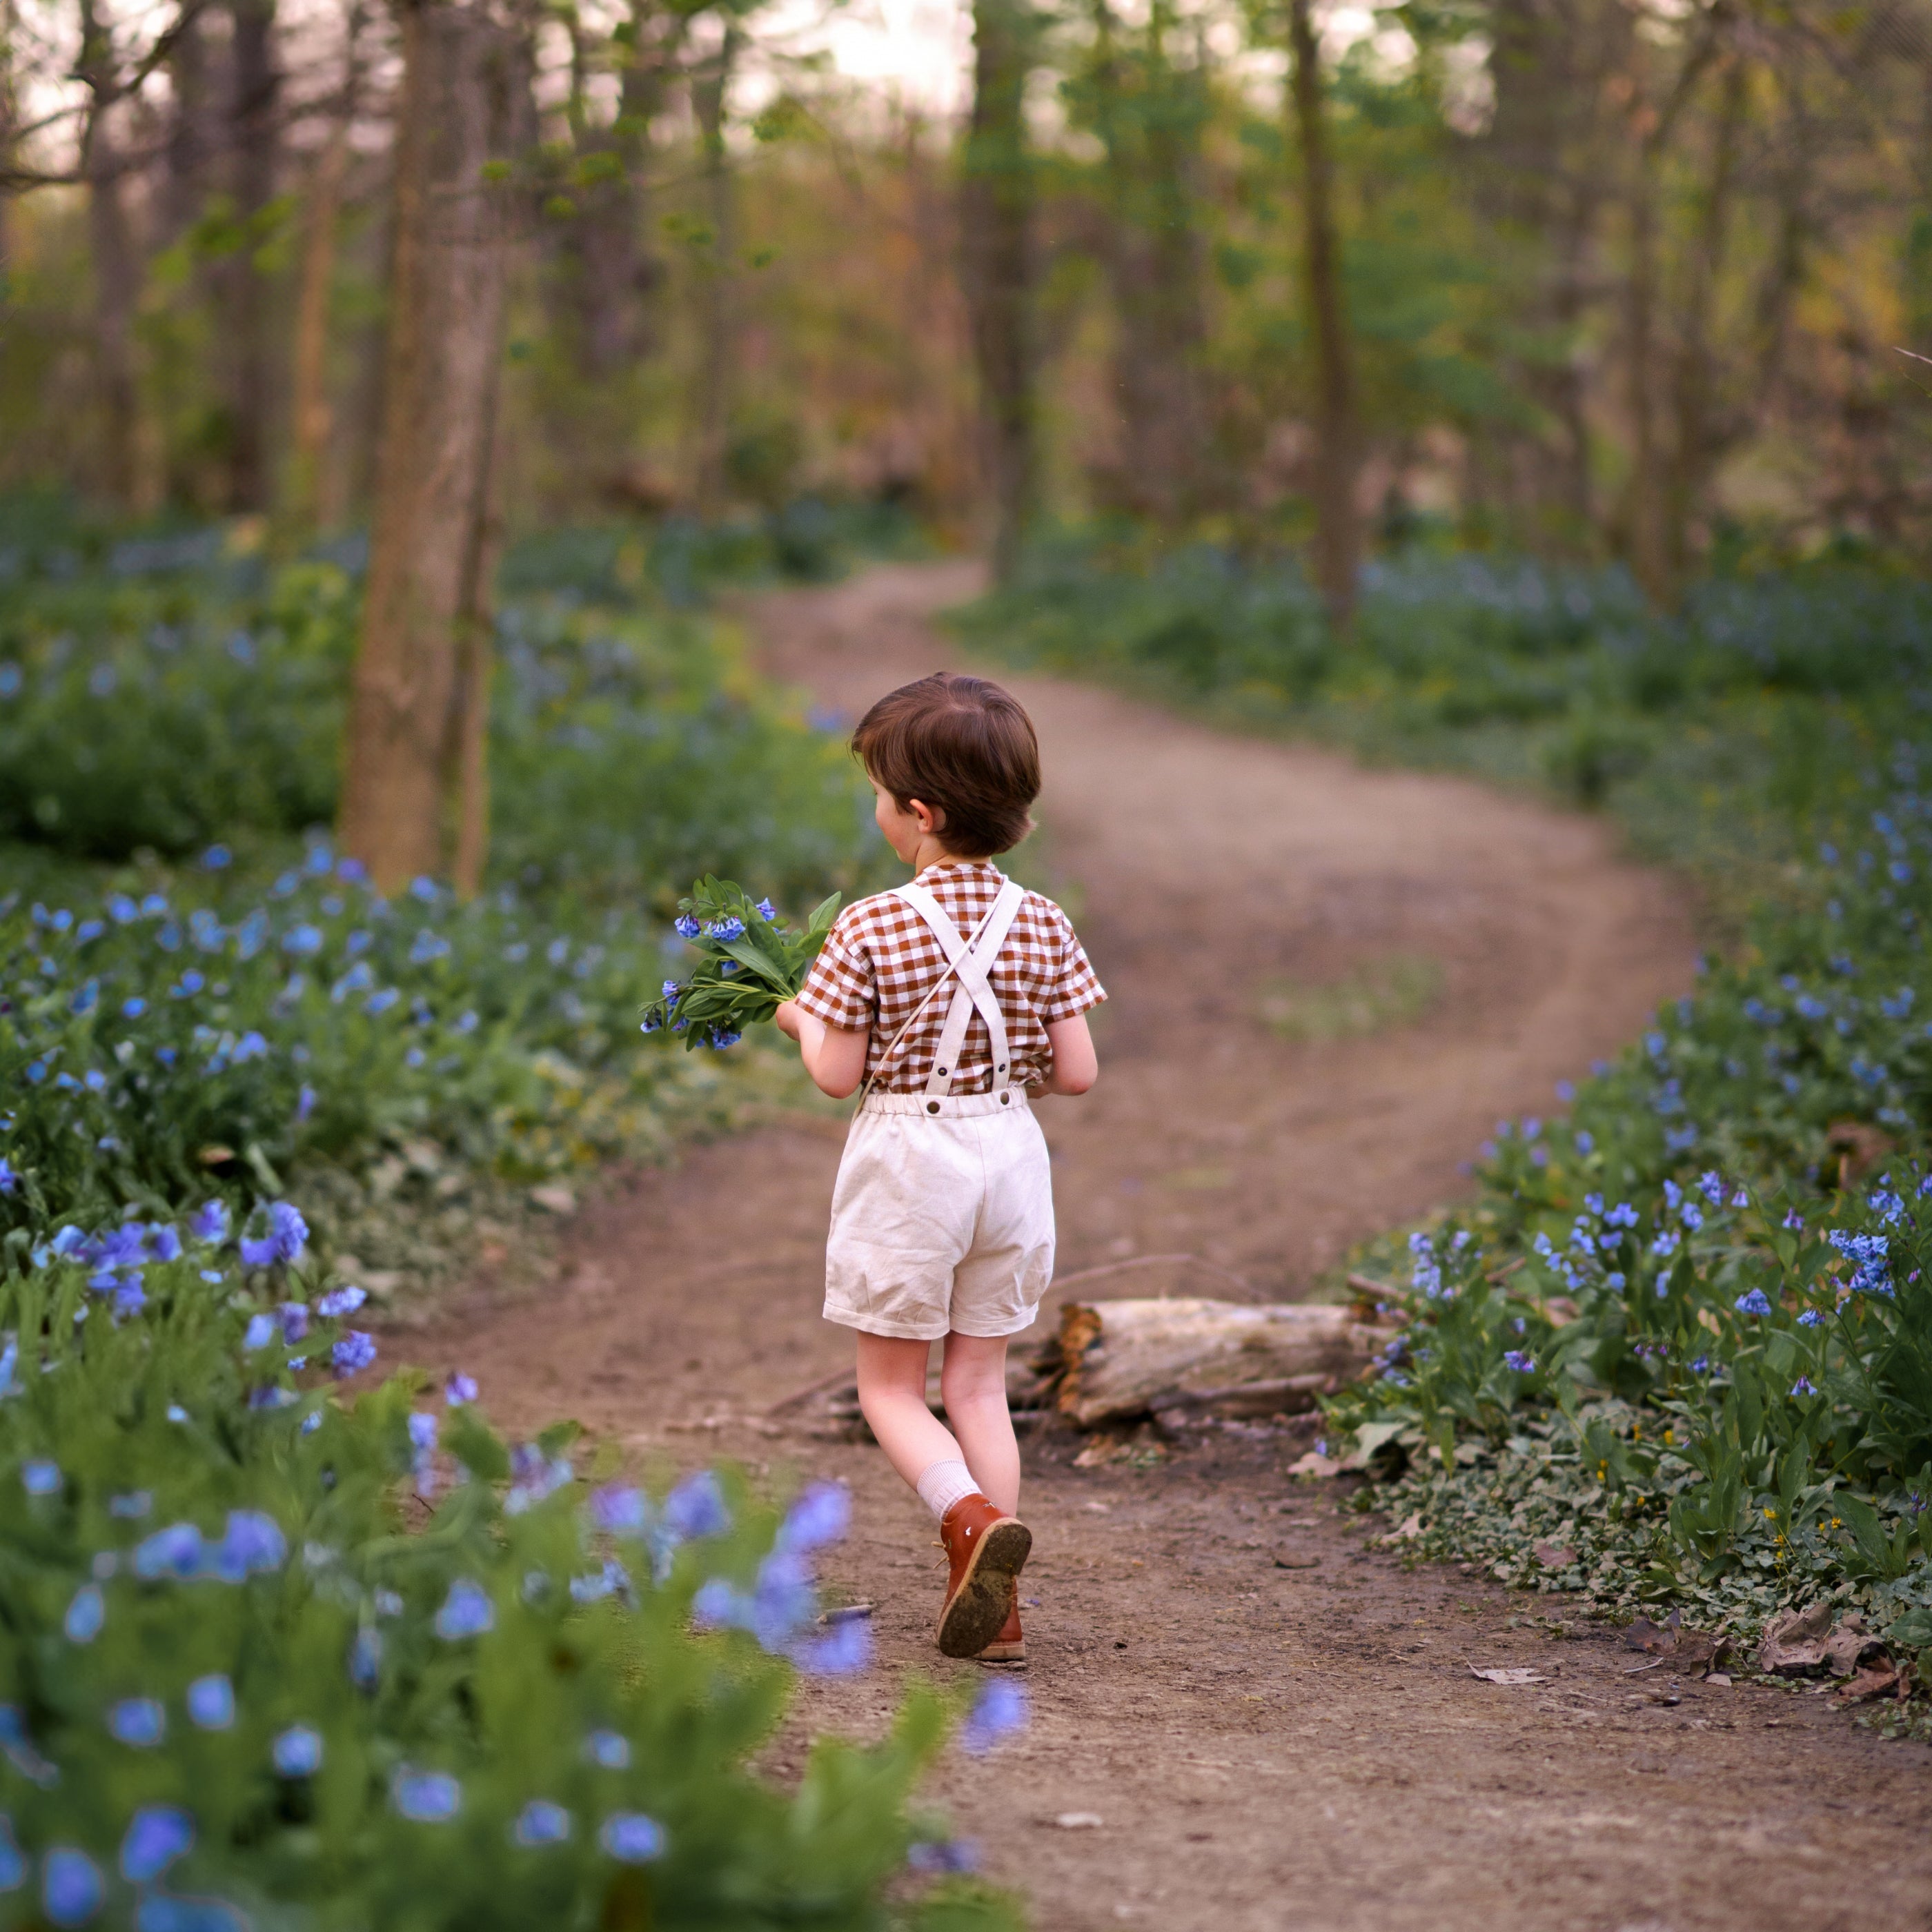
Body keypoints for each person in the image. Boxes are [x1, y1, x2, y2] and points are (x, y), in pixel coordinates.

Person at [774, 672, 1104, 1666]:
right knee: (978, 1386)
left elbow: (835, 1074)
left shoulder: (869, 925)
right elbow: (1079, 1071)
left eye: (879, 793)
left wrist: (792, 1012)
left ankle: (966, 1522)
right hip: (1009, 1158)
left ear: (921, 813)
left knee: (888, 1389)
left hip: (912, 1165)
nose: (876, 809)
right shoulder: (1044, 920)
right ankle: (996, 1611)